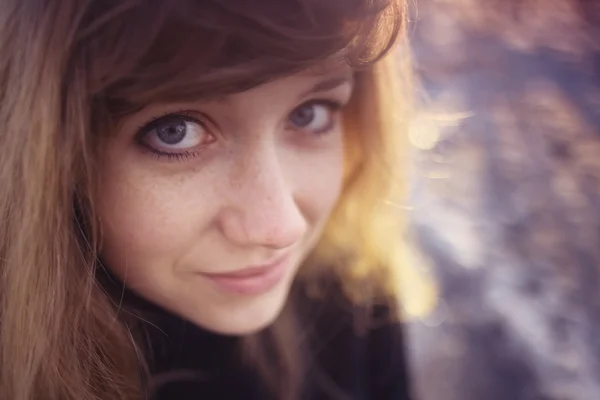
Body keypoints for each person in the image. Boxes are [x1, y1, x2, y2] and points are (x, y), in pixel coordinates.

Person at [0, 0, 432, 399]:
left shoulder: (354, 299)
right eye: (176, 131)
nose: (281, 228)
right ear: (47, 157)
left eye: (309, 114)